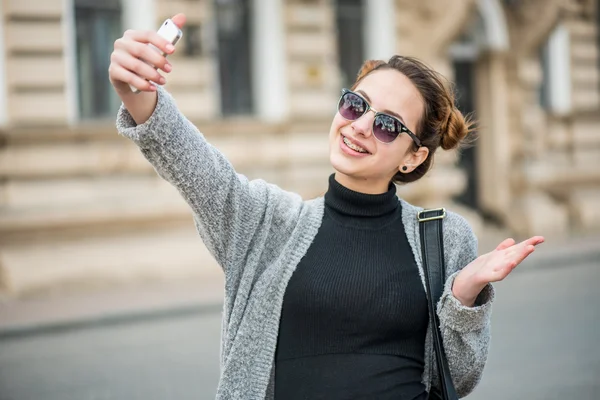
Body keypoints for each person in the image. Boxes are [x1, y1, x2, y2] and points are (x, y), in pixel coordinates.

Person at [109, 13, 544, 400]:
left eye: (389, 125)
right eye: (355, 104)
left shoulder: (444, 235)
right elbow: (192, 164)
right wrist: (136, 91)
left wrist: (463, 298)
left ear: (414, 157)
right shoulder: (266, 220)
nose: (361, 126)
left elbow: (460, 379)